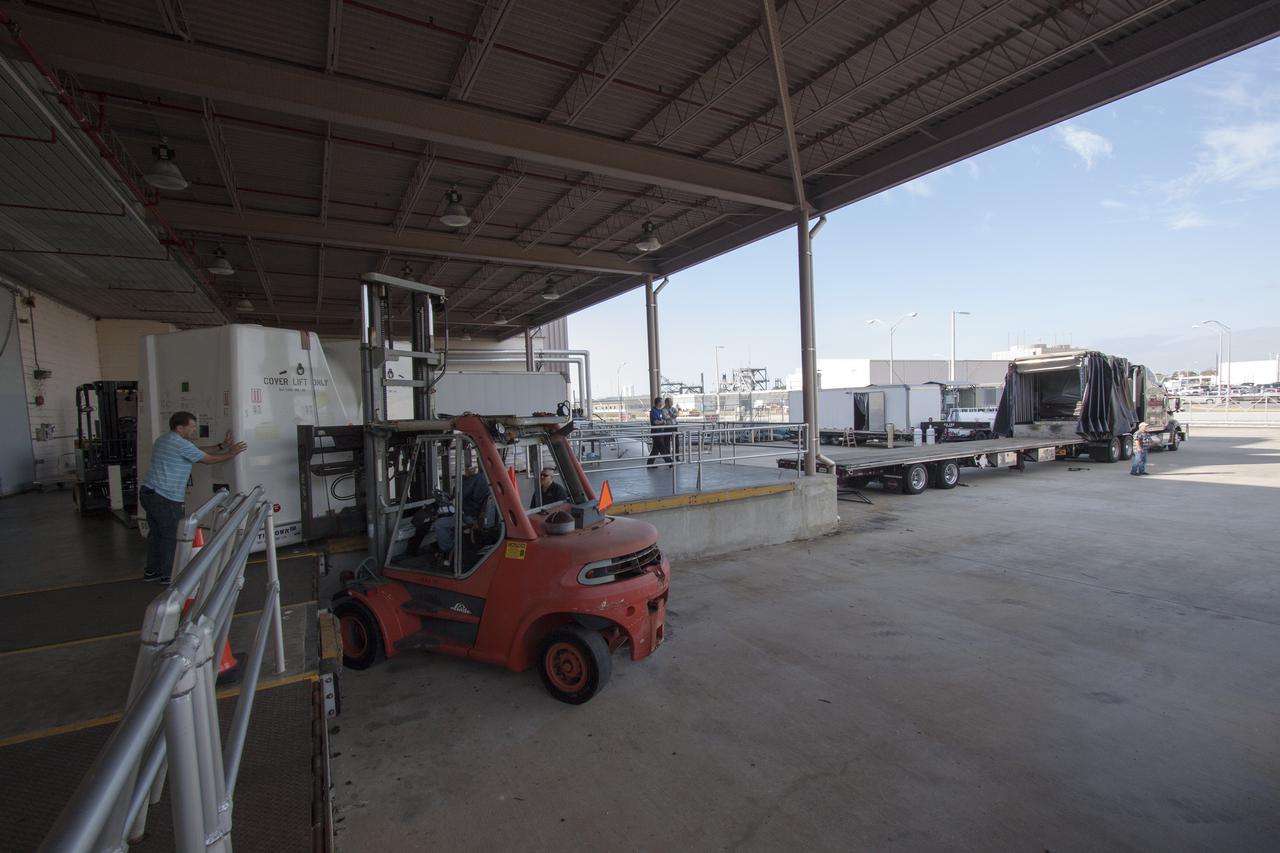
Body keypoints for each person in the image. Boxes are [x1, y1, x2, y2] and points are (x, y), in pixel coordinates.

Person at [141, 411, 247, 583]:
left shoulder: (165, 439)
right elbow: (208, 459)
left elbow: (196, 451)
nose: (194, 430)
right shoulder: (179, 444)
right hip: (165, 497)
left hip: (149, 492)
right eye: (191, 427)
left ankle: (152, 571)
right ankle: (170, 575)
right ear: (179, 428)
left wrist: (221, 446)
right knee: (171, 536)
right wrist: (232, 453)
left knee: (157, 534)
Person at [647, 396, 671, 466]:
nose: (663, 403)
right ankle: (670, 462)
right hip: (656, 432)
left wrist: (661, 421)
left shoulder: (660, 411)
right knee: (662, 447)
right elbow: (655, 422)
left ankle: (649, 464)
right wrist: (662, 421)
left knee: (655, 449)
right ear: (658, 403)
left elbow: (664, 420)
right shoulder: (653, 411)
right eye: (662, 402)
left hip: (661, 431)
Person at [663, 397, 679, 461]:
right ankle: (668, 457)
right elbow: (666, 417)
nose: (671, 403)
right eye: (670, 402)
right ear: (666, 402)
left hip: (674, 426)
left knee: (676, 442)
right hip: (667, 427)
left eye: (671, 402)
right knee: (667, 443)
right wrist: (672, 416)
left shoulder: (673, 408)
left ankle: (676, 457)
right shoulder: (663, 410)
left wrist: (671, 415)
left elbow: (676, 415)